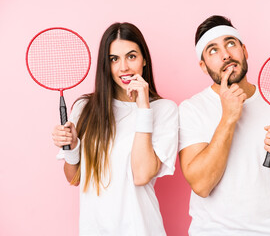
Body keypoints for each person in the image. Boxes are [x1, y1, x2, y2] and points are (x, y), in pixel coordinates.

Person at [178, 15, 270, 236]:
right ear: (203, 66)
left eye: (231, 43)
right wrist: (228, 119)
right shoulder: (191, 109)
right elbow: (201, 185)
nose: (226, 55)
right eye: (213, 50)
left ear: (244, 50)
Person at [52, 22, 178, 236]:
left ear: (144, 59)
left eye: (131, 56)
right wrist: (72, 147)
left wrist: (143, 108)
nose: (123, 68)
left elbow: (142, 174)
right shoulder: (85, 108)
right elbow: (74, 179)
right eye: (114, 59)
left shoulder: (164, 110)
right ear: (105, 64)